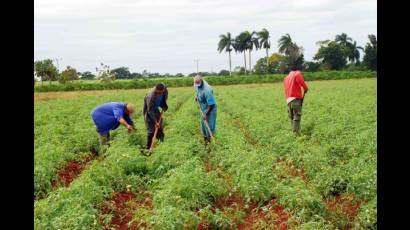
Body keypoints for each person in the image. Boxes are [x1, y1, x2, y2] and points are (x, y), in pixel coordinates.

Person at [283, 66, 308, 134]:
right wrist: (306, 88)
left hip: (288, 100)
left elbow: (285, 90)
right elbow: (301, 81)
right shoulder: (296, 73)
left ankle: (294, 132)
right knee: (297, 116)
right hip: (295, 99)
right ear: (296, 69)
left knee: (292, 117)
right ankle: (295, 133)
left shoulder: (286, 78)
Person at [143, 83, 168, 149]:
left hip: (156, 109)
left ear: (163, 90)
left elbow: (164, 98)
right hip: (149, 111)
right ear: (155, 90)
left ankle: (161, 144)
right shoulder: (150, 96)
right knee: (151, 130)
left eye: (160, 93)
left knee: (159, 128)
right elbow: (150, 110)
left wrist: (164, 106)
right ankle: (148, 148)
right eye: (157, 93)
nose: (158, 94)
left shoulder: (165, 90)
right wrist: (155, 122)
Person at [194, 75, 217, 144]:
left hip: (210, 109)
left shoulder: (207, 90)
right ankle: (205, 139)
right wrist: (197, 96)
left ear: (201, 81)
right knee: (203, 124)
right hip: (203, 108)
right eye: (196, 83)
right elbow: (198, 90)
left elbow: (211, 104)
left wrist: (206, 113)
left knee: (209, 125)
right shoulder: (198, 84)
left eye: (198, 83)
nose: (197, 85)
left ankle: (210, 141)